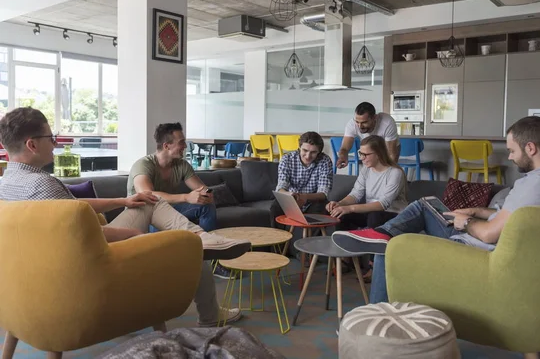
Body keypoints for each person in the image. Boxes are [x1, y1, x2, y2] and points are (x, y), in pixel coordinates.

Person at [0, 107, 250, 327]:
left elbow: (72, 208)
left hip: (35, 281)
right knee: (193, 249)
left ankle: (203, 237)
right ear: (32, 144)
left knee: (150, 200)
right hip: (95, 263)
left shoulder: (9, 183)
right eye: (50, 137)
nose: (55, 143)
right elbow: (79, 233)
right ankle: (208, 294)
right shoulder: (43, 185)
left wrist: (123, 201)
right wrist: (134, 236)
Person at [332, 116, 540, 303]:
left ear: (531, 148)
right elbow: (515, 219)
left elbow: (491, 234)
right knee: (427, 203)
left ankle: (375, 314)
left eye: (512, 151)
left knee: (390, 248)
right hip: (484, 236)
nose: (511, 158)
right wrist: (477, 211)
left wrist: (465, 223)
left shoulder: (538, 184)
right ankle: (382, 234)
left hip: (476, 247)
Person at [327, 135, 407, 279]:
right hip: (372, 212)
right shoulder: (366, 170)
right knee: (342, 215)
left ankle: (373, 265)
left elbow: (383, 204)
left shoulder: (395, 172)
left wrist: (350, 208)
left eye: (365, 154)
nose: (362, 158)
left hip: (394, 214)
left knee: (374, 216)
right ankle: (346, 259)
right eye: (360, 154)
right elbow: (355, 194)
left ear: (379, 154)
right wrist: (340, 204)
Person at [128, 123, 217, 231]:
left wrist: (207, 193)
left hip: (166, 210)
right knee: (160, 220)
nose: (185, 146)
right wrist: (186, 197)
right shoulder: (143, 165)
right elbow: (147, 195)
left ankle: (207, 245)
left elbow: (201, 187)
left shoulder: (182, 165)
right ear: (166, 146)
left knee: (207, 207)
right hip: (142, 215)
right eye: (181, 142)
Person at [271, 131, 333, 258]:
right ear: (299, 147)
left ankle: (304, 251)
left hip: (313, 200)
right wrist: (290, 195)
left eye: (313, 152)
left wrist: (305, 197)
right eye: (304, 150)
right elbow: (281, 187)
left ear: (319, 152)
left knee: (322, 207)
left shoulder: (325, 161)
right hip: (291, 198)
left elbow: (323, 193)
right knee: (275, 206)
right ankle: (278, 249)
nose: (308, 155)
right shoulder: (287, 159)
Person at [336, 102, 399, 169]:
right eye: (357, 122)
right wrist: (342, 156)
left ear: (374, 118)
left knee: (387, 171)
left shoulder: (387, 123)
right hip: (369, 149)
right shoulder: (352, 124)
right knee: (369, 172)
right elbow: (345, 148)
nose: (360, 126)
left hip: (387, 149)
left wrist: (388, 172)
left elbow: (391, 154)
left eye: (364, 122)